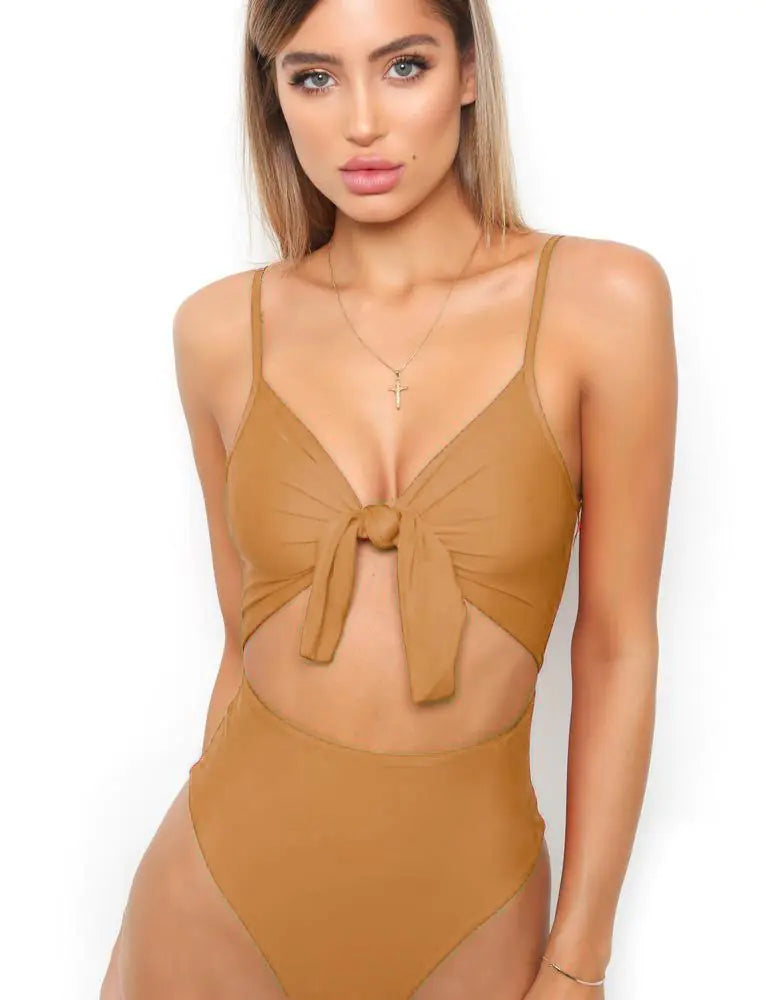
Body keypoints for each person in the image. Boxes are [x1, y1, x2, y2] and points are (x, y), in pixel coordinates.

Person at [100, 1, 676, 997]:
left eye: (403, 66)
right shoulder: (219, 332)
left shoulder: (601, 302)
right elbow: (244, 644)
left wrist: (578, 957)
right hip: (214, 898)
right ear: (275, 97)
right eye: (314, 77)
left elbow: (617, 645)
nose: (360, 121)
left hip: (472, 909)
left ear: (467, 72)